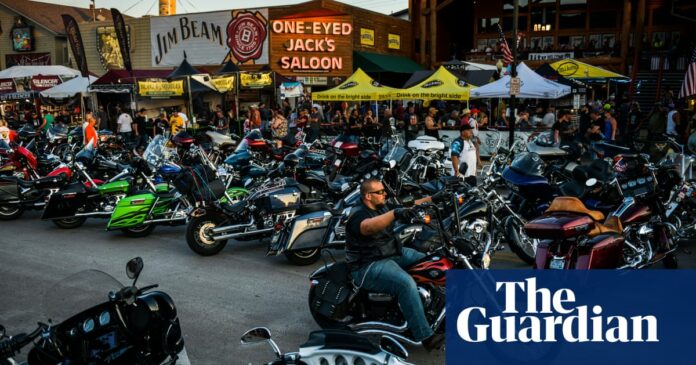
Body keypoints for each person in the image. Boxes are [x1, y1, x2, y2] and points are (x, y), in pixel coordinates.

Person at [346, 178, 446, 351]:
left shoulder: (381, 206)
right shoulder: (358, 214)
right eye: (380, 192)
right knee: (406, 284)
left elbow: (409, 204)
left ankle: (433, 306)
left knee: (432, 261)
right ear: (368, 196)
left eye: (384, 191)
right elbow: (369, 227)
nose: (384, 194)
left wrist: (434, 198)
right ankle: (425, 335)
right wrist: (395, 214)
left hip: (392, 253)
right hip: (368, 265)